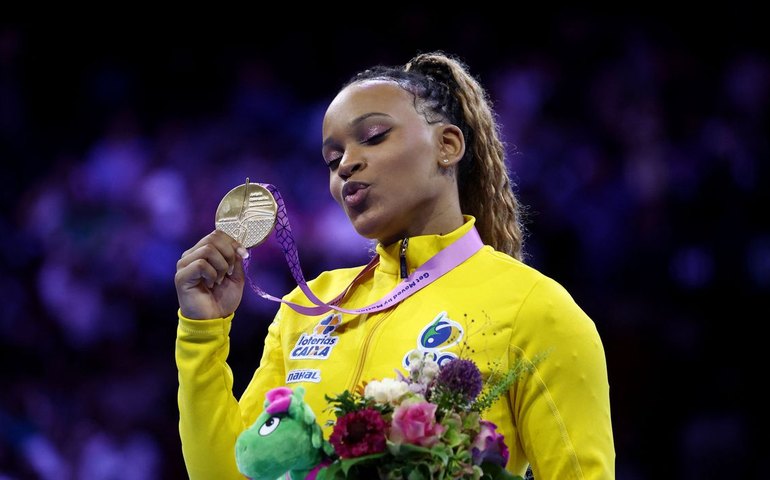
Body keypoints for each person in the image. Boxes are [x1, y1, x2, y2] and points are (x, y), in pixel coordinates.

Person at [174, 51, 615, 479]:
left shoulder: (533, 308)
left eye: (374, 136)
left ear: (447, 146)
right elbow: (234, 472)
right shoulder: (308, 308)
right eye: (332, 159)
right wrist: (202, 333)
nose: (346, 165)